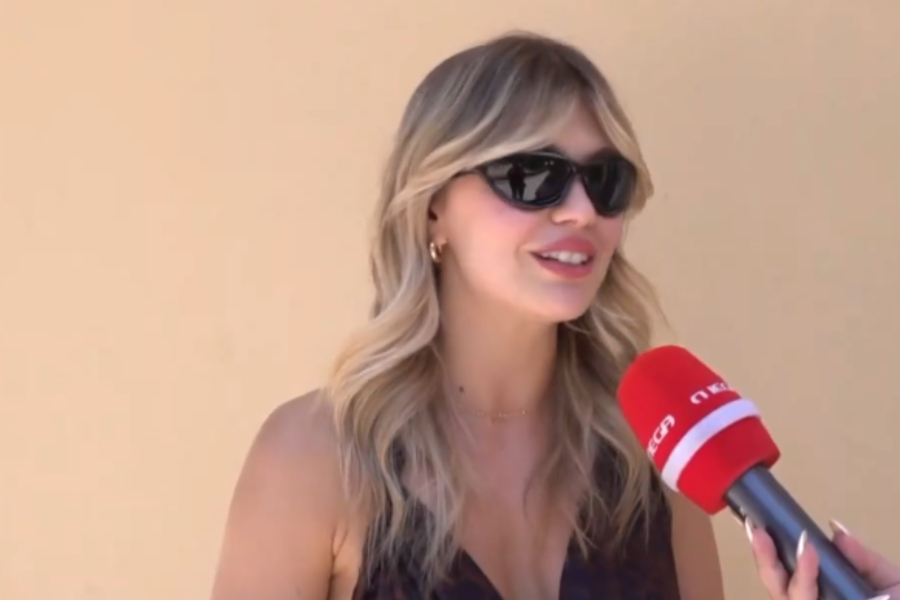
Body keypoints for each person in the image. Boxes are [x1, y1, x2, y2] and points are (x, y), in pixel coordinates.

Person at [208, 31, 899, 600]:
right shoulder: (314, 459)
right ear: (432, 206)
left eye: (605, 181)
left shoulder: (655, 459)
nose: (580, 211)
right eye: (531, 176)